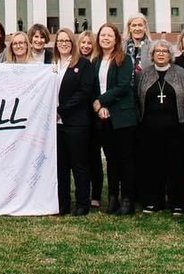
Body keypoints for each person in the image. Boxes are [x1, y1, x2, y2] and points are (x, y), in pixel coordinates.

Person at [135, 40, 184, 214]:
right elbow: (137, 100)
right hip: (150, 129)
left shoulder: (181, 73)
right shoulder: (144, 75)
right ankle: (154, 201)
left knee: (176, 165)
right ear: (152, 55)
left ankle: (177, 202)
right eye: (157, 51)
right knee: (153, 166)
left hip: (177, 128)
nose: (161, 54)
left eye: (165, 51)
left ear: (170, 54)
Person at [92, 24, 137, 215]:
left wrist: (100, 101)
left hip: (123, 117)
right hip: (103, 117)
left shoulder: (124, 59)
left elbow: (123, 86)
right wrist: (99, 108)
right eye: (103, 35)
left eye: (110, 35)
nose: (106, 38)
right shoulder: (95, 61)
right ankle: (112, 198)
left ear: (116, 39)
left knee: (126, 159)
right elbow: (92, 86)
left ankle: (127, 199)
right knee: (111, 159)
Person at [55, 28, 95, 216]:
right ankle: (62, 203)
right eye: (60, 40)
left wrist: (62, 109)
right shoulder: (52, 64)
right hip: (56, 124)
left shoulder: (84, 64)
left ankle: (82, 203)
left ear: (73, 43)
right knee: (60, 166)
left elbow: (84, 92)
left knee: (79, 164)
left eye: (67, 41)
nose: (63, 43)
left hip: (76, 122)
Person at [76, 30, 103, 206]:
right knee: (82, 157)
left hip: (94, 114)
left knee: (94, 156)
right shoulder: (75, 62)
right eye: (83, 43)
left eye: (89, 43)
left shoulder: (96, 63)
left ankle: (96, 195)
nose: (85, 46)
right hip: (79, 115)